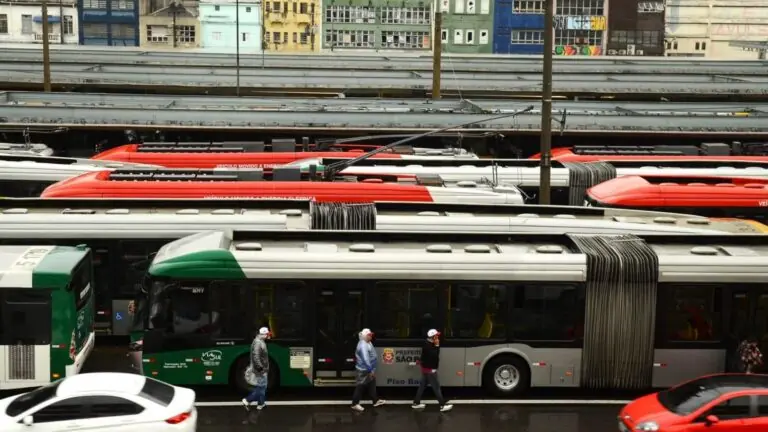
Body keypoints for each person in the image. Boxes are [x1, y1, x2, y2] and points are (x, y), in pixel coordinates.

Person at [412, 329, 453, 412]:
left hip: (425, 369)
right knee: (436, 387)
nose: (438, 337)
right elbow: (435, 357)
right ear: (433, 337)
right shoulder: (429, 346)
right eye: (436, 336)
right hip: (430, 370)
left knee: (422, 386)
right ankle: (442, 405)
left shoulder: (427, 343)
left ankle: (416, 403)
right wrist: (437, 346)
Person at [351, 328, 385, 411]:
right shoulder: (363, 345)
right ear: (365, 336)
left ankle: (375, 401)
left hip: (369, 369)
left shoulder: (368, 342)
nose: (371, 336)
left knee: (372, 383)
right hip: (364, 370)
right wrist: (370, 370)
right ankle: (355, 404)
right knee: (360, 386)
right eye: (369, 335)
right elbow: (365, 359)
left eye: (371, 335)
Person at [242, 327, 271, 411]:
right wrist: (260, 368)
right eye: (267, 334)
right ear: (263, 334)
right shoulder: (258, 343)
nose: (268, 336)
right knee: (261, 387)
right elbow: (256, 357)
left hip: (261, 369)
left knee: (262, 386)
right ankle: (247, 400)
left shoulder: (259, 341)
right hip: (260, 370)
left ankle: (261, 404)